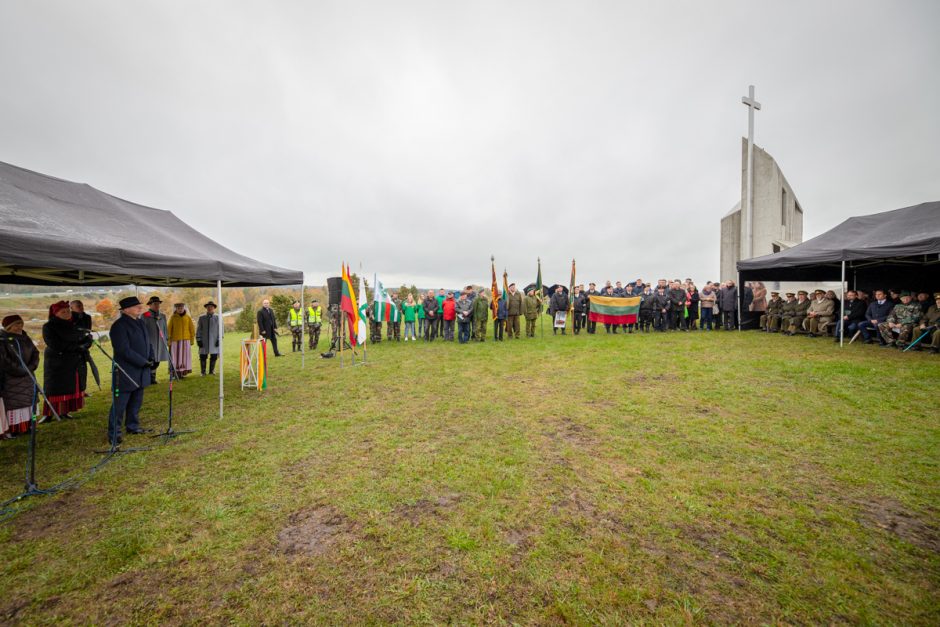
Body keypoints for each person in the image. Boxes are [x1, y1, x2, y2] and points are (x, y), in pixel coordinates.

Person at [107, 296, 154, 445]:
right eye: (136, 306)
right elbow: (123, 350)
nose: (140, 308)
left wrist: (151, 357)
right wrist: (142, 362)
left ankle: (132, 426)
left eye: (139, 306)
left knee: (136, 400)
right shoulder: (119, 326)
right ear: (126, 310)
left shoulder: (140, 322)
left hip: (141, 369)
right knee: (120, 403)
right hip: (126, 371)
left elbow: (148, 342)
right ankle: (114, 433)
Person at [42, 300, 91, 420]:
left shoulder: (74, 324)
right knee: (56, 388)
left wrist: (86, 344)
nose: (67, 313)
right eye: (63, 312)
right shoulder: (49, 327)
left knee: (71, 386)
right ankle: (49, 413)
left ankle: (64, 411)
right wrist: (77, 347)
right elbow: (54, 344)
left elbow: (85, 336)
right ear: (56, 314)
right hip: (57, 363)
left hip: (74, 360)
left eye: (68, 311)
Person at [0, 315, 40, 438]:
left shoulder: (25, 337)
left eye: (21, 324)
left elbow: (35, 352)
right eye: (16, 324)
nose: (20, 327)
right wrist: (22, 370)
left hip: (28, 376)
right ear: (8, 327)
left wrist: (31, 366)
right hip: (12, 379)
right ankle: (14, 429)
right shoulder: (2, 340)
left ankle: (28, 426)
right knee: (15, 405)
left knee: (28, 403)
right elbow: (4, 361)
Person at [141, 296, 169, 384]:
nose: (157, 305)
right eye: (155, 304)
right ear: (150, 305)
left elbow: (165, 329)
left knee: (157, 361)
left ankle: (153, 378)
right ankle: (147, 379)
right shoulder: (144, 316)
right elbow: (142, 329)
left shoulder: (163, 316)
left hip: (160, 342)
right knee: (150, 361)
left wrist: (166, 338)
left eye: (158, 304)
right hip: (150, 342)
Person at [167, 303, 196, 376]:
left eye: (181, 308)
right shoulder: (173, 317)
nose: (180, 309)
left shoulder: (187, 317)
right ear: (176, 309)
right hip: (175, 341)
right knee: (175, 357)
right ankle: (175, 372)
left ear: (184, 308)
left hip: (186, 340)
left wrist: (192, 339)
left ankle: (183, 372)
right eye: (178, 308)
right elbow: (169, 329)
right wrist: (169, 340)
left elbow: (192, 329)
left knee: (184, 357)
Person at [196, 301, 220, 376]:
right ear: (206, 308)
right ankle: (203, 372)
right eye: (208, 307)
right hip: (204, 340)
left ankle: (211, 371)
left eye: (211, 306)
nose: (210, 308)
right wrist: (198, 339)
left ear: (214, 308)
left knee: (214, 356)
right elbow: (199, 329)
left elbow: (221, 329)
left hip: (214, 340)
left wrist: (219, 339)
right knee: (203, 356)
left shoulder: (218, 317)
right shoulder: (201, 318)